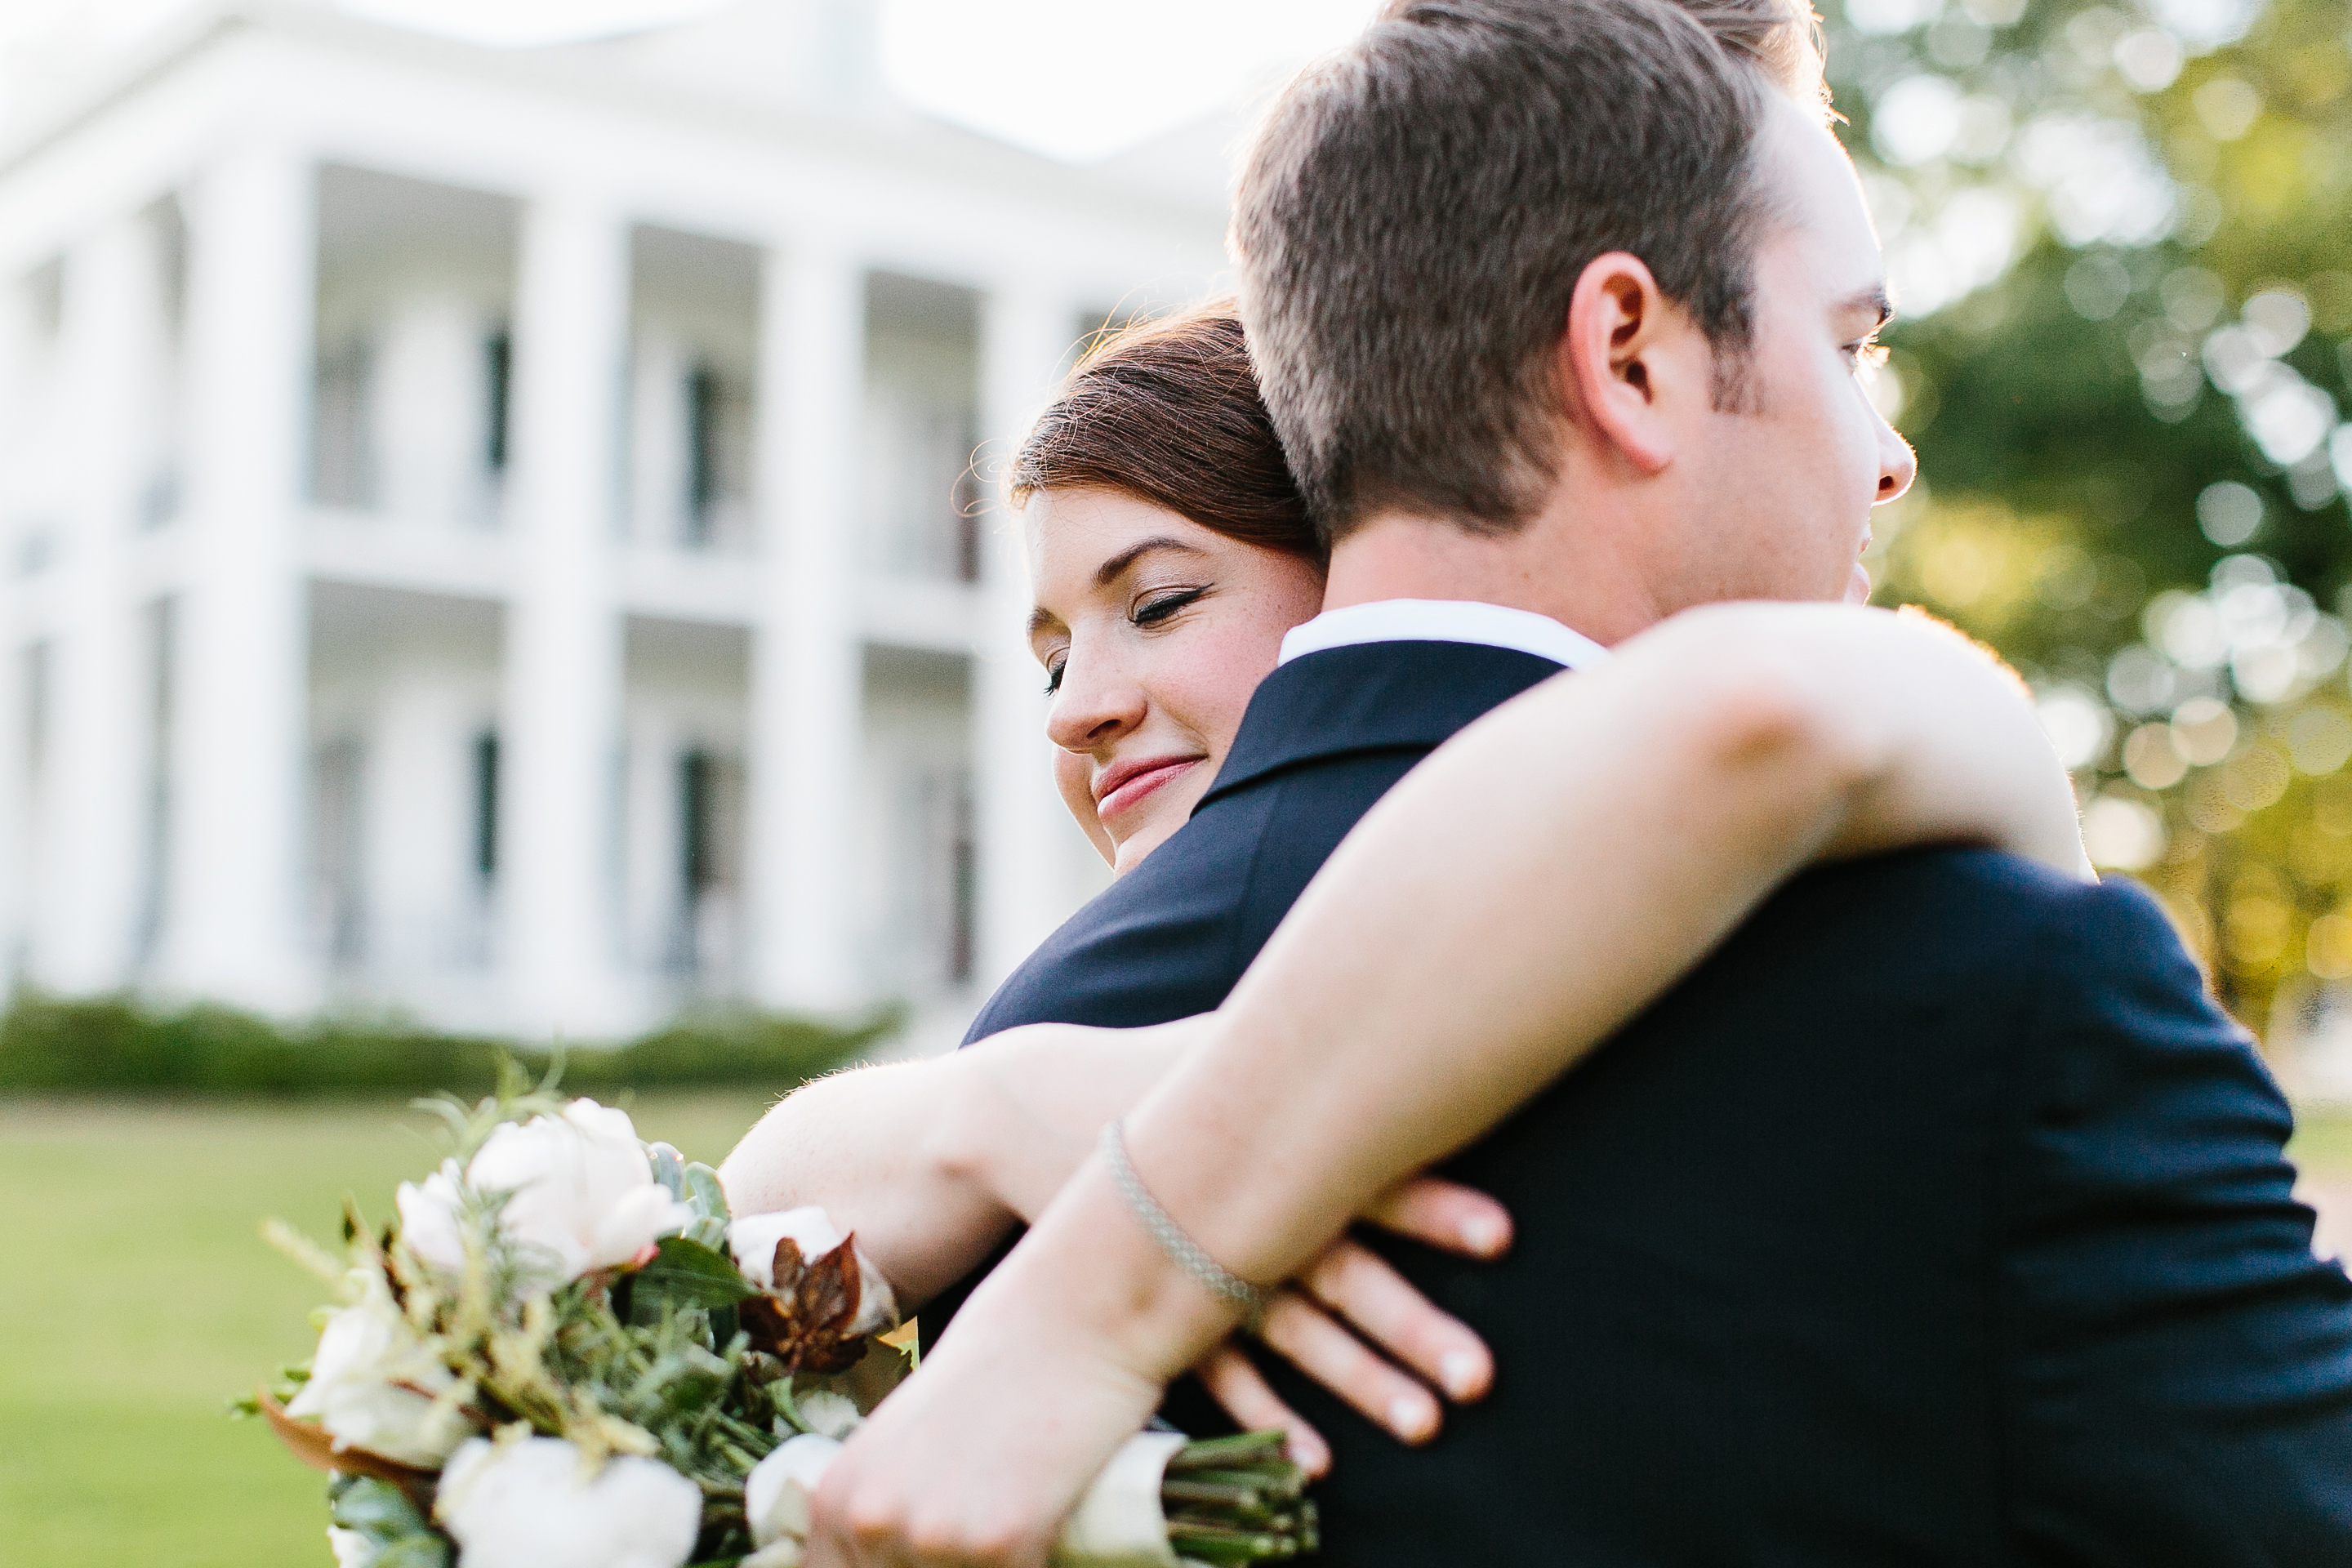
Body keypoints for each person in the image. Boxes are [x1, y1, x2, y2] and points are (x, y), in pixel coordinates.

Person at [789, 1, 2352, 1565]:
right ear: (1627, 352)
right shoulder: (2012, 988)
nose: (1888, 456)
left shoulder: (1016, 1081)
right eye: (1851, 346)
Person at [720, 306, 2081, 1468]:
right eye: (1051, 658)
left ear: (1358, 572)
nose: (1075, 708)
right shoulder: (1079, 1022)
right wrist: (982, 1105)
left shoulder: (1699, 868)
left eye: (1160, 604)